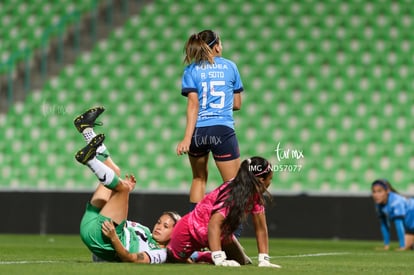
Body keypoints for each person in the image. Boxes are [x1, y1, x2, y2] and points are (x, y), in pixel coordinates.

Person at [74, 107, 181, 263]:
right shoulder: (144, 230)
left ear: (175, 233)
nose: (158, 227)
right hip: (91, 223)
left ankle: (90, 161)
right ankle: (86, 129)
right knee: (114, 171)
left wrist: (113, 239)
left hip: (103, 238)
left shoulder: (161, 253)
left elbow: (131, 259)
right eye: (159, 222)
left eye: (166, 226)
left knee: (122, 188)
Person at [167, 156, 281, 268]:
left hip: (220, 234)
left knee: (241, 262)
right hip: (189, 233)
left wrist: (264, 259)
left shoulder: (255, 195)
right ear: (261, 180)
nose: (270, 182)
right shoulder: (232, 193)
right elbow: (213, 224)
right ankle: (202, 255)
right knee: (174, 260)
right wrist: (219, 258)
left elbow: (261, 228)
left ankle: (206, 255)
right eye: (270, 178)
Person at [175, 29, 244, 211]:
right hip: (222, 130)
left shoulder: (191, 69)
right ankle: (230, 233)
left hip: (198, 133)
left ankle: (193, 229)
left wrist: (186, 139)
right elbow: (237, 104)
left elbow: (193, 106)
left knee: (198, 179)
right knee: (233, 185)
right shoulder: (230, 66)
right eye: (220, 43)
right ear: (216, 47)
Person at [371, 179, 414, 250]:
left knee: (405, 246)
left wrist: (402, 246)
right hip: (411, 228)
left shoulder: (396, 201)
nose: (376, 195)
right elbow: (384, 225)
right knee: (409, 246)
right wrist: (386, 246)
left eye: (379, 191)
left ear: (387, 191)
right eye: (374, 192)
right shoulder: (379, 205)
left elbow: (399, 225)